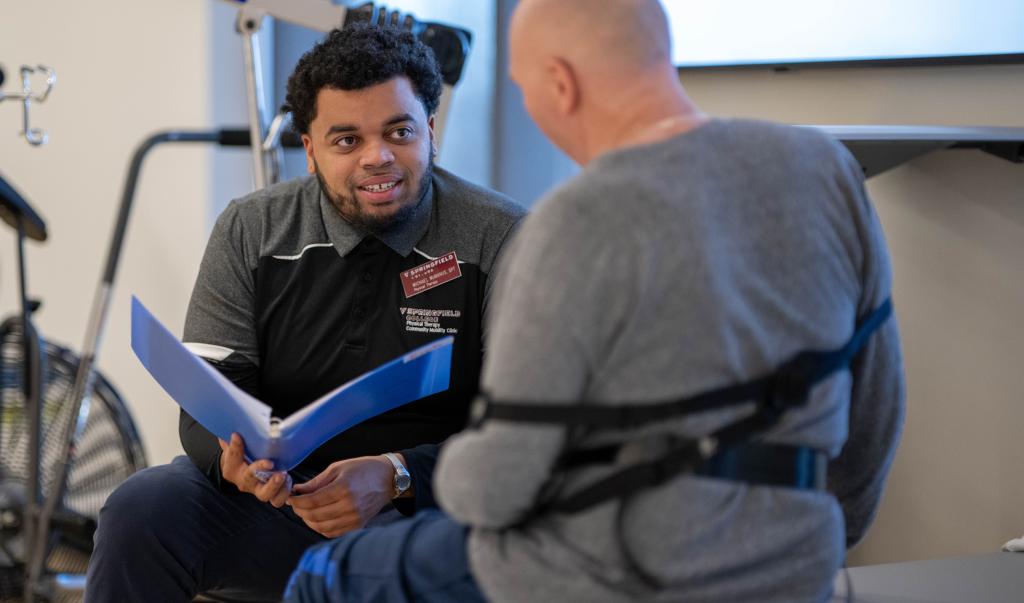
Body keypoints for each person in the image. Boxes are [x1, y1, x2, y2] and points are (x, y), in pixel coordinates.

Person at [282, 0, 905, 602]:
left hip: (620, 572)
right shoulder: (823, 169)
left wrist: (400, 474)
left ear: (560, 82)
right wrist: (819, 542)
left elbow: (496, 489)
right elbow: (876, 407)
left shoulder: (574, 222)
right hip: (797, 561)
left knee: (326, 574)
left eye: (525, 87)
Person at [85, 23, 525, 602]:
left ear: (431, 133)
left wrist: (395, 475)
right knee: (142, 509)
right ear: (310, 150)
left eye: (399, 131)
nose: (378, 158)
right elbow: (203, 403)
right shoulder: (252, 228)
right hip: (276, 504)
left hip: (425, 512)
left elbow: (519, 433)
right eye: (347, 140)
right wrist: (235, 464)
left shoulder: (503, 237)